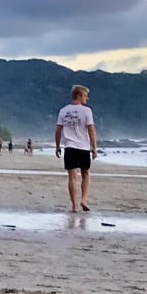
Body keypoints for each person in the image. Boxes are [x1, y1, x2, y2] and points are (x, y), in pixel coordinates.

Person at [54, 83, 98, 213]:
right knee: (86, 174)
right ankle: (84, 199)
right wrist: (94, 147)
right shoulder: (86, 111)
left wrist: (57, 146)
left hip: (70, 147)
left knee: (72, 176)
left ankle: (74, 205)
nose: (87, 98)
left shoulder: (63, 110)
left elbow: (58, 130)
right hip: (83, 147)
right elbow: (91, 129)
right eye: (85, 95)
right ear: (78, 95)